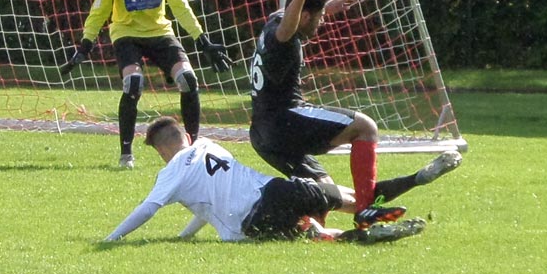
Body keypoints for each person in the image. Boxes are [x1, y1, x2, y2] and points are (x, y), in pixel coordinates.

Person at [249, 0, 462, 229]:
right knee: (365, 127)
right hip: (285, 120)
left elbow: (288, 17)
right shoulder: (284, 35)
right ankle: (365, 211)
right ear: (304, 15)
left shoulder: (274, 20)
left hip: (262, 134)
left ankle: (408, 183)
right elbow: (287, 30)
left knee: (326, 194)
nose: (322, 21)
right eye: (318, 16)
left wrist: (325, 7)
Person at [61, 0, 232, 168]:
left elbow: (180, 5)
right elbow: (99, 9)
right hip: (126, 34)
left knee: (188, 79)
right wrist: (85, 44)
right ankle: (126, 155)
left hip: (160, 33)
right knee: (133, 83)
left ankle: (192, 150)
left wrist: (202, 40)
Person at [104, 116, 427, 243]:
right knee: (340, 197)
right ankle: (401, 189)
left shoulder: (171, 173)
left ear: (162, 151)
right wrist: (183, 236)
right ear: (187, 136)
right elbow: (209, 199)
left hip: (249, 226)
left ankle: (357, 235)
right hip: (273, 192)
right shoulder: (208, 145)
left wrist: (112, 238)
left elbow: (149, 209)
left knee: (309, 234)